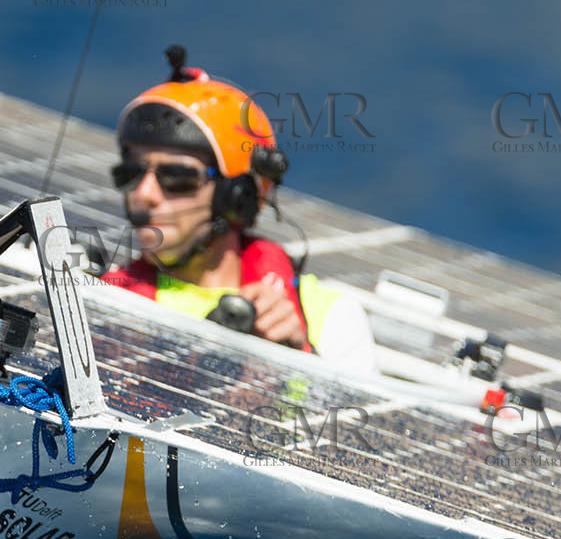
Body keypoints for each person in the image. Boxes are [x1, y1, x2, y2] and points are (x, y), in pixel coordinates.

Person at [101, 46, 378, 371]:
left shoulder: (330, 317)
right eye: (131, 173)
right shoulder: (103, 306)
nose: (144, 193)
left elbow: (347, 421)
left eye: (176, 176)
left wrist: (298, 362)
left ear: (237, 196)